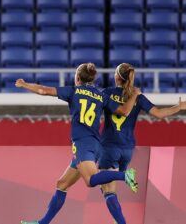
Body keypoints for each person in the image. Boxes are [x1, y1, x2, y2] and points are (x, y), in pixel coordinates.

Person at [16, 63, 141, 224]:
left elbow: (43, 90)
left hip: (83, 143)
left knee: (90, 180)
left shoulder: (73, 91)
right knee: (62, 184)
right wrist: (134, 96)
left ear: (78, 78)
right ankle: (43, 222)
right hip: (95, 144)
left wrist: (24, 84)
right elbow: (124, 111)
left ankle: (124, 175)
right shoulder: (100, 95)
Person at [99, 63, 186, 224]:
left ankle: (120, 219)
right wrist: (178, 107)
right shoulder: (138, 96)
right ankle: (116, 219)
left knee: (106, 188)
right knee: (110, 188)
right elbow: (159, 114)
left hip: (109, 145)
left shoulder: (107, 93)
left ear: (117, 76)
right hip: (127, 149)